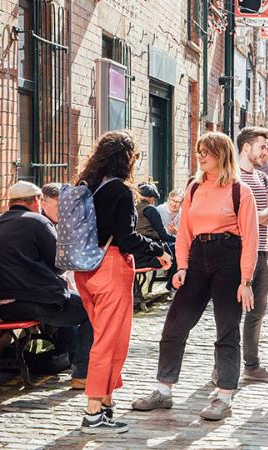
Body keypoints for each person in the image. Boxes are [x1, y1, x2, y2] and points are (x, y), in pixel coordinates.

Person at [131, 131, 258, 422]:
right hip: (198, 259)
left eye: (206, 151)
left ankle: (224, 395)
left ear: (221, 154)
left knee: (226, 328)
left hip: (229, 260)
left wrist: (246, 280)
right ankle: (163, 390)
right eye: (199, 150)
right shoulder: (194, 188)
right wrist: (182, 267)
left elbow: (250, 238)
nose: (200, 156)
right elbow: (185, 231)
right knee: (175, 324)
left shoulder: (240, 191)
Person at [72, 130, 171, 434]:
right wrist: (160, 252)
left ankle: (104, 405)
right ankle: (92, 412)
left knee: (106, 338)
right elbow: (127, 239)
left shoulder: (88, 185)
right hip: (111, 267)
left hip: (85, 269)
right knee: (109, 341)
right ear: (126, 159)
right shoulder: (120, 191)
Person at [0, 181, 92, 391]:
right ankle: (82, 373)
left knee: (67, 301)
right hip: (29, 300)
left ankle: (70, 356)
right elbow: (59, 264)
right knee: (92, 310)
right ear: (35, 200)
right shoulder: (38, 222)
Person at [235, 127, 268, 383]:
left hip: (262, 251)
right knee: (230, 311)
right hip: (236, 252)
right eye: (262, 147)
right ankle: (222, 367)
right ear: (246, 147)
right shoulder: (233, 179)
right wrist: (264, 212)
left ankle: (252, 365)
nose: (267, 152)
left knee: (257, 310)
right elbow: (237, 222)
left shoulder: (263, 179)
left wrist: (261, 215)